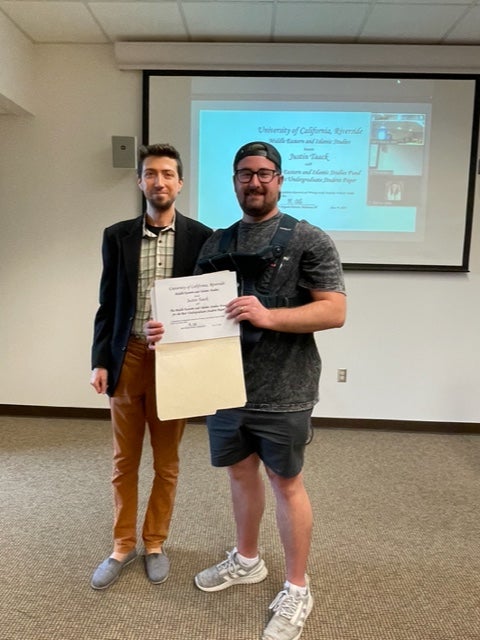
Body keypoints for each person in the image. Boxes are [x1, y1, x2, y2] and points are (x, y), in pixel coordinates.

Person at [145, 141, 346, 640]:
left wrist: (268, 315)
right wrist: (166, 329)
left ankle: (297, 587)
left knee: (286, 483)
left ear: (279, 180)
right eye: (245, 174)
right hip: (223, 386)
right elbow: (194, 312)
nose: (254, 182)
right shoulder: (216, 243)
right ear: (234, 181)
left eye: (264, 173)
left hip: (285, 389)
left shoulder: (309, 239)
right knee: (239, 474)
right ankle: (248, 559)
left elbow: (334, 310)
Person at [89, 143, 212, 590]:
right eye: (151, 174)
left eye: (167, 174)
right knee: (124, 461)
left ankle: (155, 542)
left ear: (180, 183)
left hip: (174, 362)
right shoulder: (116, 236)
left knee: (167, 462)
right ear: (140, 181)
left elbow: (206, 307)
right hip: (128, 357)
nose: (159, 181)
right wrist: (100, 360)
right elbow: (107, 304)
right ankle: (122, 545)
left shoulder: (203, 238)